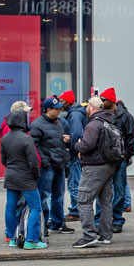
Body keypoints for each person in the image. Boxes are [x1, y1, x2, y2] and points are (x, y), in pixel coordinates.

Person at [71, 97, 119, 248]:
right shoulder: (108, 122)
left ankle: (89, 235)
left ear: (91, 107)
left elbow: (87, 145)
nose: (86, 109)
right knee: (105, 202)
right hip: (109, 165)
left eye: (87, 106)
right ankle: (105, 235)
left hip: (94, 167)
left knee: (84, 200)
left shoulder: (93, 124)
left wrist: (78, 146)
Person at [93, 89, 134, 234]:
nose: (101, 102)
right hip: (103, 160)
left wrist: (124, 156)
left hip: (118, 160)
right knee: (101, 191)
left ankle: (117, 219)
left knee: (119, 190)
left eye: (104, 99)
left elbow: (132, 140)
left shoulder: (125, 117)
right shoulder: (100, 116)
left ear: (111, 101)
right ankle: (99, 220)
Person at [30, 96, 74, 235]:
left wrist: (67, 141)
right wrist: (45, 161)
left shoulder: (59, 123)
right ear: (48, 110)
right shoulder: (37, 124)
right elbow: (34, 146)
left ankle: (58, 223)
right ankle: (43, 225)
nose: (59, 111)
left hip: (59, 165)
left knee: (58, 195)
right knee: (44, 196)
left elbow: (58, 142)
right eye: (56, 109)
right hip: (48, 166)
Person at [2, 109, 44, 249]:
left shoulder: (6, 138)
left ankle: (13, 238)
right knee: (35, 207)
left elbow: (3, 160)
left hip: (11, 175)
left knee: (10, 206)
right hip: (26, 177)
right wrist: (36, 175)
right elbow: (33, 161)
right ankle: (31, 240)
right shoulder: (27, 139)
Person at [61, 93, 87, 223]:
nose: (60, 104)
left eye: (62, 101)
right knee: (77, 182)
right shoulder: (79, 112)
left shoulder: (75, 114)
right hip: (78, 153)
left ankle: (75, 211)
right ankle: (77, 210)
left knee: (74, 183)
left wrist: (71, 146)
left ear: (68, 102)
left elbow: (76, 133)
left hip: (74, 154)